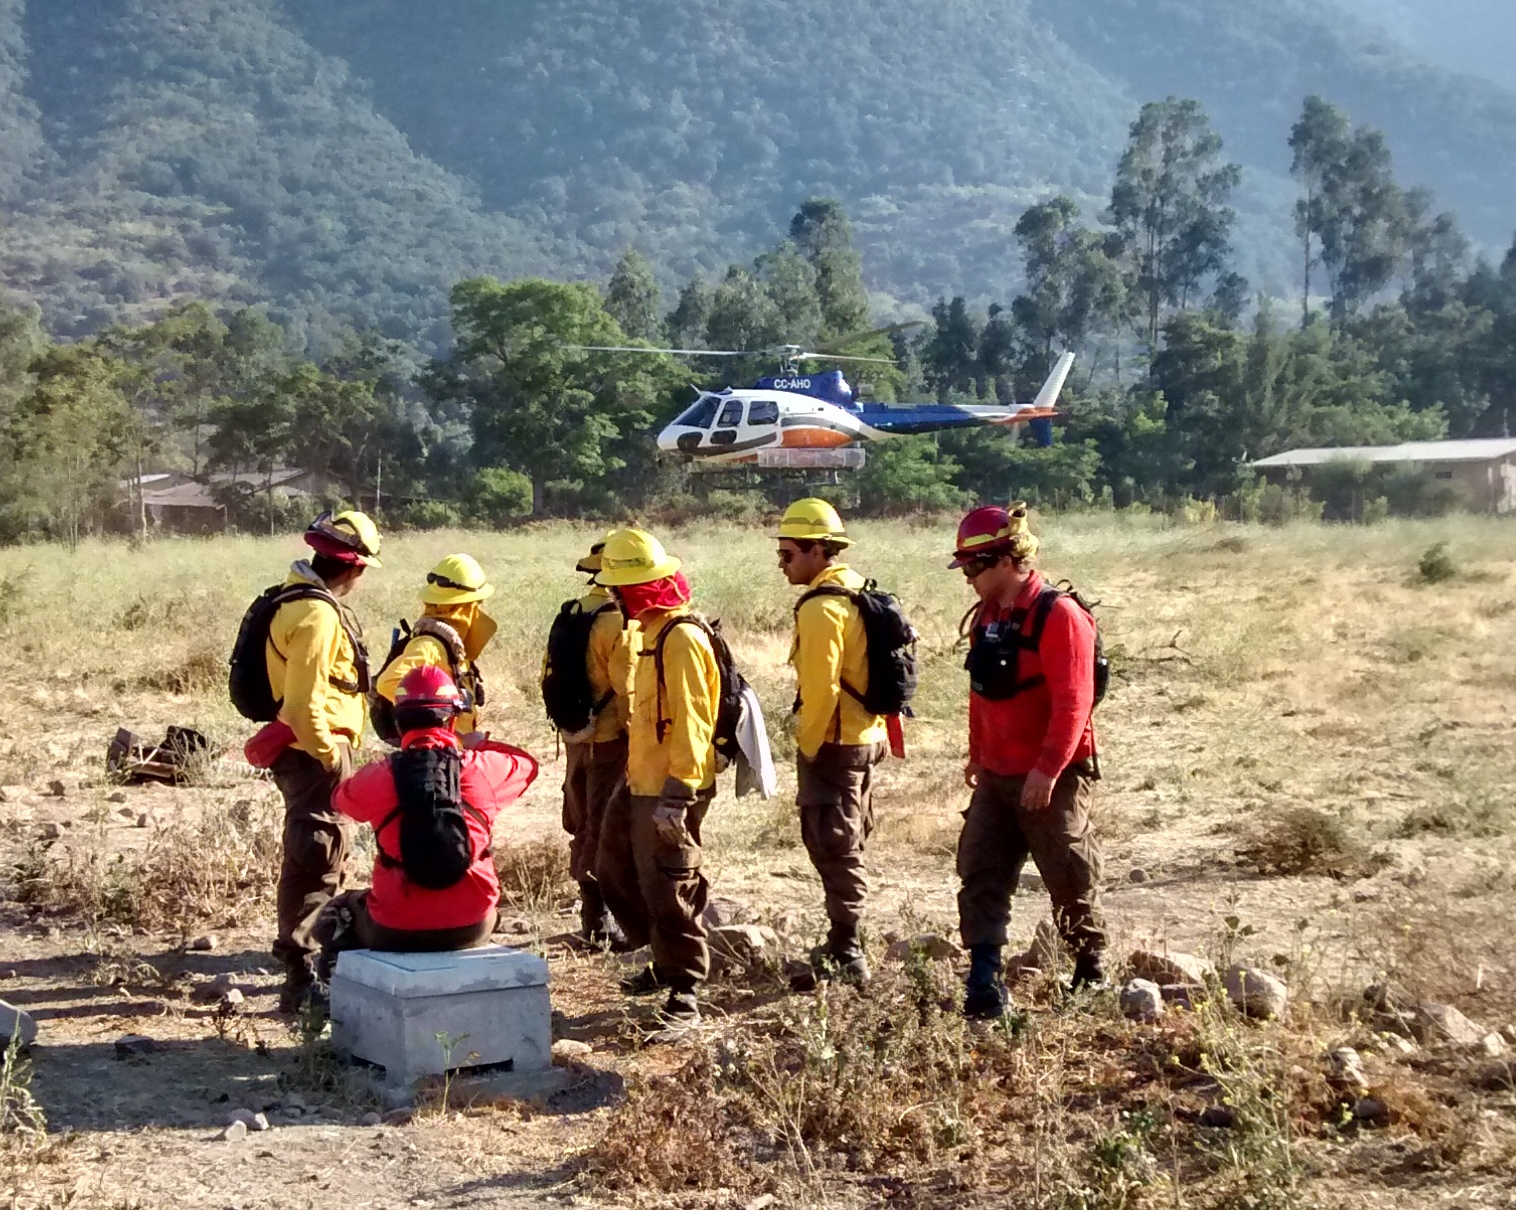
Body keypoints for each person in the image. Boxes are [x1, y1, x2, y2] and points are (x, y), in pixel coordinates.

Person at [951, 502, 1106, 1019]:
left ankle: (1090, 970)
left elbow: (1073, 702)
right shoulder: (988, 618)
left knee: (1066, 869)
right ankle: (984, 983)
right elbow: (980, 694)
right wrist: (978, 755)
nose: (968, 578)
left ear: (1006, 560)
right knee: (980, 870)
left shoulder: (1060, 615)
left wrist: (1048, 769)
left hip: (1051, 774)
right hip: (996, 772)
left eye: (975, 566)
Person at [313, 665, 538, 974]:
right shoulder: (482, 769)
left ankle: (328, 998)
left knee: (336, 912)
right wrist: (478, 743)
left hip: (395, 928)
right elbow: (528, 765)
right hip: (473, 925)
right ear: (452, 719)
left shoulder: (378, 777)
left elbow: (340, 799)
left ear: (398, 722)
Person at [593, 528, 717, 1034]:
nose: (611, 598)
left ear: (636, 589)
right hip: (640, 779)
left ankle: (685, 989)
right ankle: (665, 960)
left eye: (617, 589)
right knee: (614, 865)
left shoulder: (681, 638)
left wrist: (678, 793)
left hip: (670, 786)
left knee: (670, 883)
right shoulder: (649, 633)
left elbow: (693, 720)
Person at [265, 509, 382, 1013]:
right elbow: (302, 703)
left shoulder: (298, 600)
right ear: (354, 569)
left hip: (309, 752)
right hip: (314, 755)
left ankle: (303, 964)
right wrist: (330, 754)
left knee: (316, 855)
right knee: (316, 858)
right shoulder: (316, 614)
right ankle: (302, 974)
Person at [776, 498, 887, 983]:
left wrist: (807, 745)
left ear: (819, 552)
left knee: (834, 842)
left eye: (788, 555)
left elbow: (821, 690)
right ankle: (843, 942)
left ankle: (848, 950)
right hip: (865, 736)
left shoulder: (822, 608)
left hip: (836, 742)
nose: (782, 565)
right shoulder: (856, 589)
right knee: (847, 838)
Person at [546, 538, 635, 947]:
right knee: (604, 826)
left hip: (575, 739)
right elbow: (628, 688)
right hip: (610, 738)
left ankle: (593, 917)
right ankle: (600, 923)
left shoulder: (569, 615)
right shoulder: (618, 622)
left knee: (582, 821)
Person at [374, 554, 496, 742]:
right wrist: (449, 705)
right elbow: (387, 683)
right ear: (464, 607)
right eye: (476, 603)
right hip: (439, 747)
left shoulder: (448, 643)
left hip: (451, 743)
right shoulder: (429, 646)